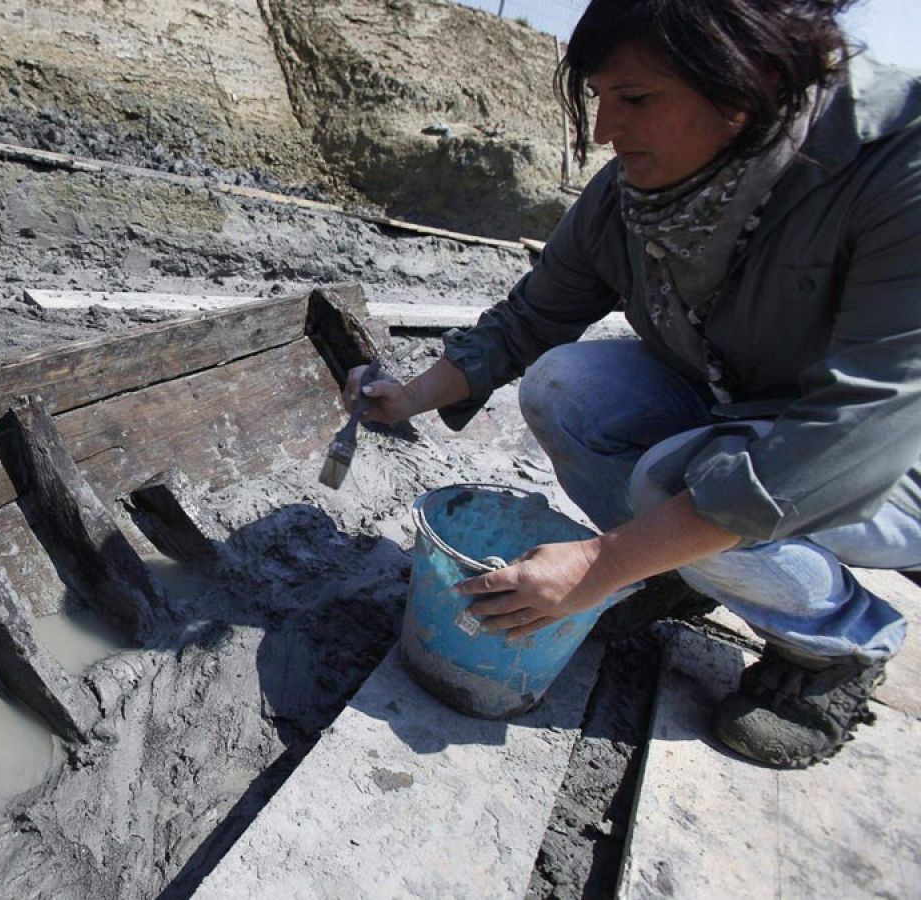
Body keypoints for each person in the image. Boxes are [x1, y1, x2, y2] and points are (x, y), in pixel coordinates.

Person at [348, 0, 920, 768]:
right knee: (564, 385)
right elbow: (530, 319)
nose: (605, 131)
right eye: (599, 99)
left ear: (753, 80)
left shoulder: (896, 163)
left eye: (637, 99)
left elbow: (854, 432)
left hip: (888, 463)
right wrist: (414, 393)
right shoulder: (639, 191)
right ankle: (688, 562)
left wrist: (604, 564)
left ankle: (838, 645)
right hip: (738, 417)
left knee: (676, 479)